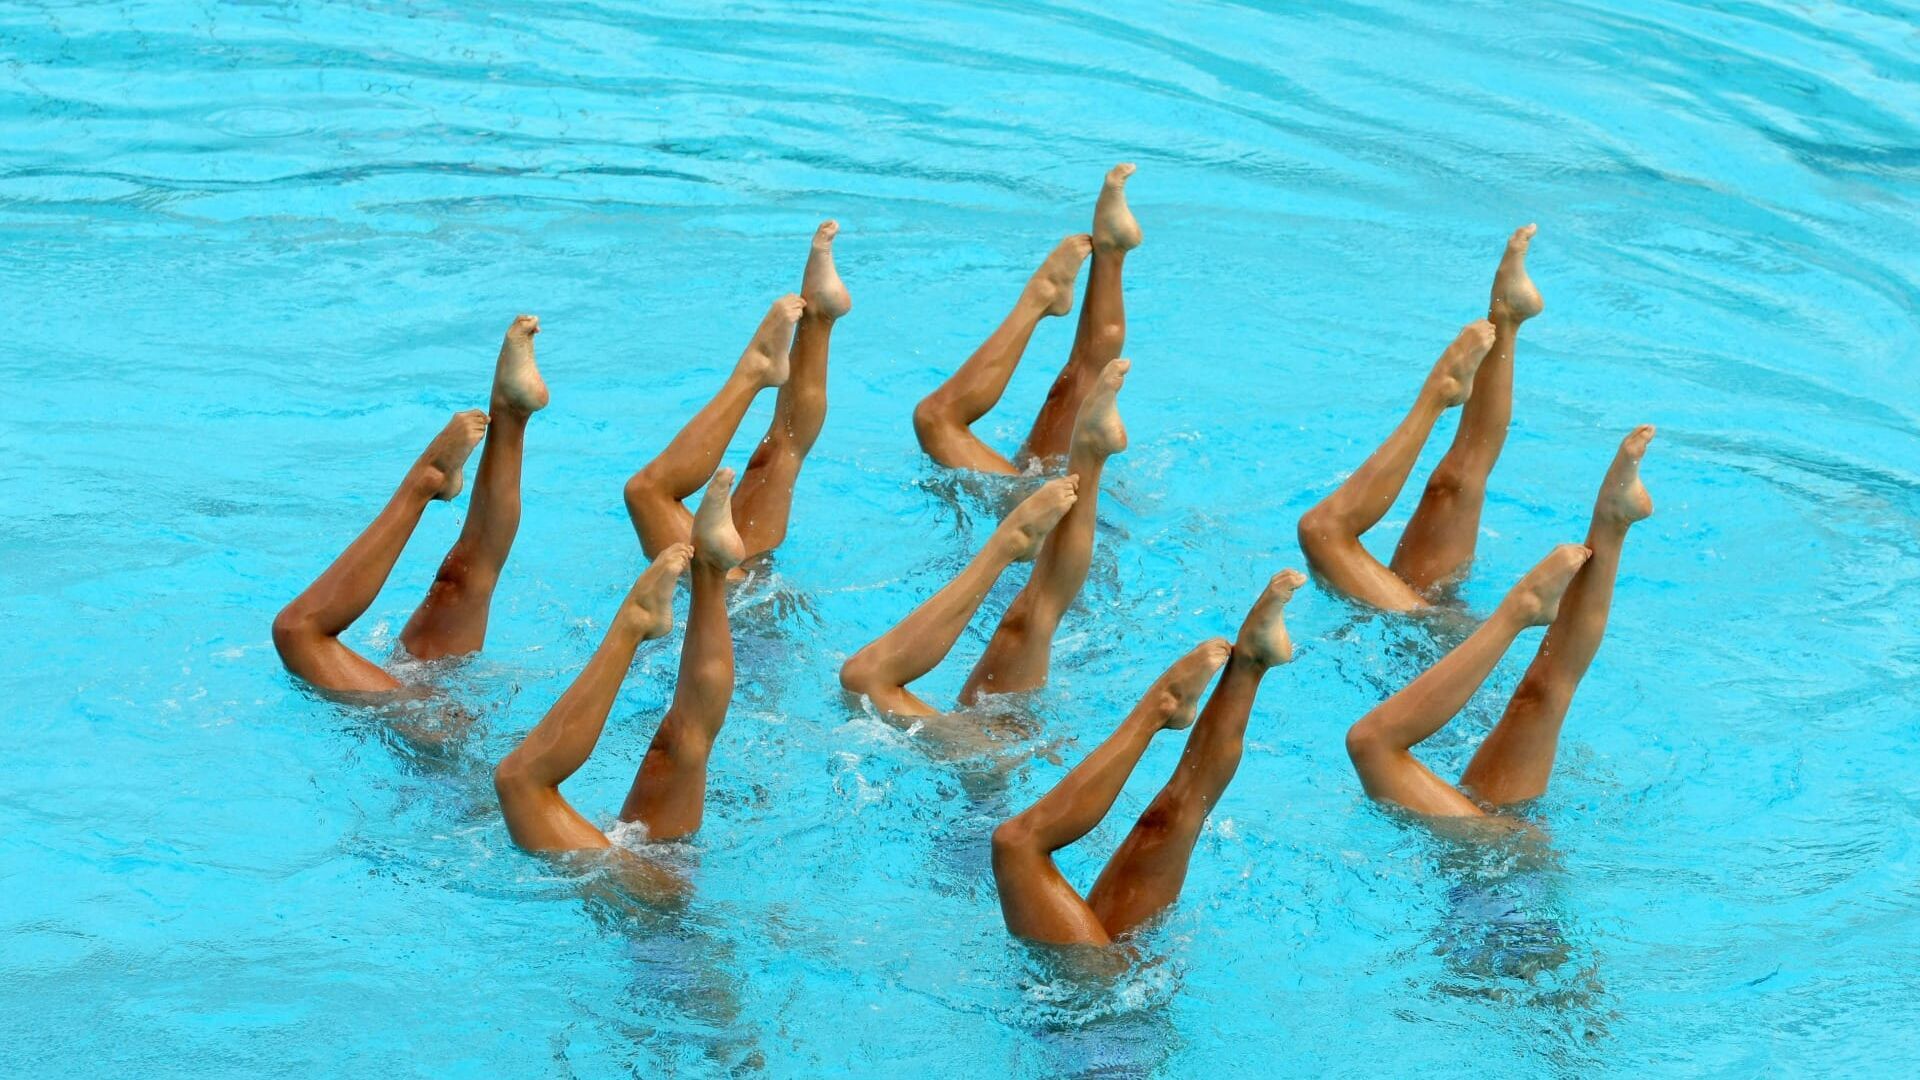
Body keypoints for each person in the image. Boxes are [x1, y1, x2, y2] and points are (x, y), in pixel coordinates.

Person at [1343, 427, 1655, 818]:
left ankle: (1612, 523)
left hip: (1495, 854)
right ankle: (1525, 604)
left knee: (1541, 694)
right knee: (1372, 743)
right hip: (1504, 864)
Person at [987, 570, 1306, 946]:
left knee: (1166, 817)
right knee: (1017, 845)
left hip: (1109, 986)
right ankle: (1161, 707)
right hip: (1098, 993)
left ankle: (1252, 661)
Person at [271, 315, 548, 693]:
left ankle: (507, 416)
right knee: (296, 633)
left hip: (432, 722)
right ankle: (437, 471)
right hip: (438, 739)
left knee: (458, 581)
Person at [839, 358, 1130, 715]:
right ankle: (1014, 537)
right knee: (864, 681)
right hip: (993, 749)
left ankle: (1087, 455)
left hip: (988, 741)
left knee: (1031, 615)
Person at [493, 466, 746, 858]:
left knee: (682, 741)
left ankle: (711, 570)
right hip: (646, 898)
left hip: (658, 874)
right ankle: (634, 623)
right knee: (519, 782)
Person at [1297, 226, 1545, 610]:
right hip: (1433, 648)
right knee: (1322, 533)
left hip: (1428, 641)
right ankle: (1438, 393)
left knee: (1453, 484)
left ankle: (1506, 317)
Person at [623, 222, 849, 570]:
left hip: (749, 599)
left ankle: (818, 315)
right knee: (647, 493)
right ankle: (802, 330)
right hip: (739, 608)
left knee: (777, 454)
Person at [912, 164, 1141, 472]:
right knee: (934, 419)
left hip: (1054, 508)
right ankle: (1088, 266)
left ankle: (1110, 252)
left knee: (1073, 386)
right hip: (1055, 512)